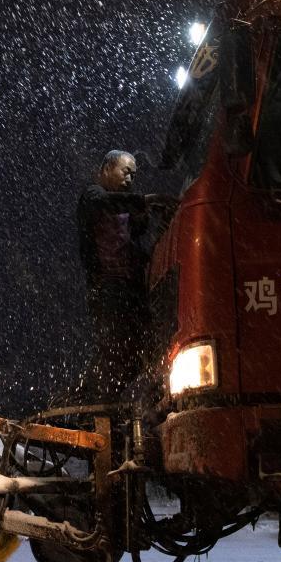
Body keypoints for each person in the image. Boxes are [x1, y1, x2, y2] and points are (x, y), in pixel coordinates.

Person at [75, 150, 177, 403]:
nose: (130, 179)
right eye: (125, 172)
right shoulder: (93, 196)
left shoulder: (125, 207)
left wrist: (156, 219)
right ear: (107, 169)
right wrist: (146, 200)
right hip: (108, 288)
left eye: (134, 174)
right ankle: (89, 401)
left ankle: (104, 400)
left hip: (132, 288)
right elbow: (106, 203)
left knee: (145, 349)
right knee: (115, 347)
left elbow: (137, 238)